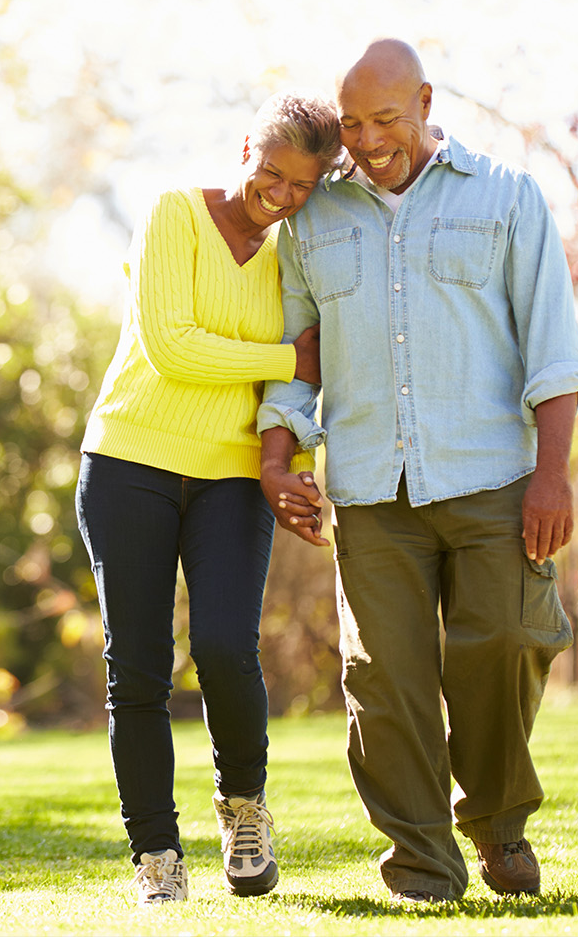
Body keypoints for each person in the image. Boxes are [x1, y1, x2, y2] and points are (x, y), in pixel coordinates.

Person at [256, 40, 578, 906]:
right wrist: (278, 454)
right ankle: (421, 868)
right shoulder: (313, 221)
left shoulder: (507, 196)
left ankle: (496, 821)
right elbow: (299, 354)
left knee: (511, 640)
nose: (370, 141)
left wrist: (552, 474)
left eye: (386, 119)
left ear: (427, 101)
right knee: (385, 684)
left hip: (492, 476)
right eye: (355, 125)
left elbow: (552, 347)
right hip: (371, 487)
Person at [74, 91, 340, 907]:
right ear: (245, 150)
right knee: (140, 669)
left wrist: (297, 413)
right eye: (272, 172)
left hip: (231, 475)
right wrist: (283, 359)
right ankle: (156, 854)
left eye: (303, 184)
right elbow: (173, 346)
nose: (283, 194)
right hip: (130, 461)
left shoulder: (297, 253)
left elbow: (319, 366)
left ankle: (245, 809)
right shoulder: (172, 216)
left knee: (227, 646)